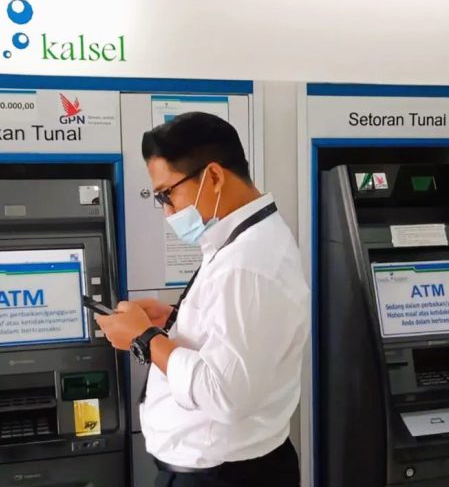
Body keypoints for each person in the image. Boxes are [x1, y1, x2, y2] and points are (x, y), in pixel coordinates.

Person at [95, 112, 309, 487]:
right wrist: (172, 321)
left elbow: (225, 394)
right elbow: (236, 340)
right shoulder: (245, 240)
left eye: (167, 194)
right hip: (229, 470)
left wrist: (144, 339)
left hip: (223, 477)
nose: (167, 211)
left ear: (213, 177)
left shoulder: (246, 263)